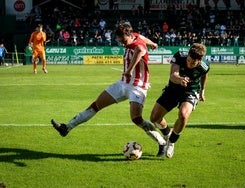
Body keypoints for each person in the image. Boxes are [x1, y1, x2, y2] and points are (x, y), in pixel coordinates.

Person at [51, 24, 167, 156]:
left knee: (136, 118)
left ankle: (162, 142)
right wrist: (152, 43)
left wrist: (129, 70)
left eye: (123, 40)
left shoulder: (136, 45)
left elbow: (140, 49)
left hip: (137, 86)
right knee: (96, 105)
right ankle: (66, 128)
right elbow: (141, 36)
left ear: (129, 35)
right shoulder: (134, 36)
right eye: (119, 41)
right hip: (122, 84)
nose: (122, 43)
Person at [150, 43, 210, 158]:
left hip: (191, 91)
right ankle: (168, 133)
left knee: (183, 115)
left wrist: (202, 90)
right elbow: (173, 75)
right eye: (188, 60)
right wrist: (180, 79)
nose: (189, 64)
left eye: (193, 63)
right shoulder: (179, 56)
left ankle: (171, 142)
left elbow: (204, 75)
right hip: (173, 89)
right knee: (154, 118)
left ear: (200, 60)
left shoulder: (204, 65)